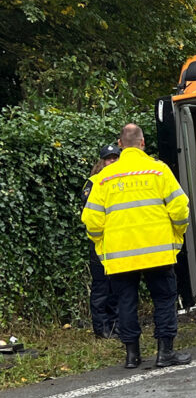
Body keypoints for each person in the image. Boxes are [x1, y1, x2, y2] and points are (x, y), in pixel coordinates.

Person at [81, 124, 192, 369]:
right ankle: (165, 352)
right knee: (164, 299)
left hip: (120, 255)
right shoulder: (159, 170)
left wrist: (101, 244)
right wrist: (177, 234)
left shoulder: (104, 178)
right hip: (158, 251)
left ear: (120, 145)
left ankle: (132, 355)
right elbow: (180, 209)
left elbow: (92, 221)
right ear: (142, 143)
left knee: (125, 302)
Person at [81, 144, 121, 339]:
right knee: (101, 287)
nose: (112, 161)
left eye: (115, 158)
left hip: (118, 241)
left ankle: (116, 325)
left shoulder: (122, 179)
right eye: (108, 159)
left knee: (117, 287)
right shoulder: (94, 182)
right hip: (100, 241)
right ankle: (102, 328)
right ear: (102, 162)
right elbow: (90, 212)